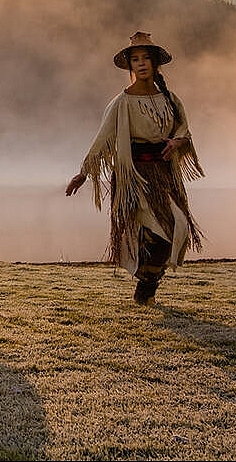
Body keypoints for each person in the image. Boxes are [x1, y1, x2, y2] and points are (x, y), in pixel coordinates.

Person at [65, 31, 204, 305]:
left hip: (165, 176)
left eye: (145, 59)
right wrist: (84, 173)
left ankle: (148, 285)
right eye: (135, 59)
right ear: (130, 66)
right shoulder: (122, 102)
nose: (141, 64)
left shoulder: (170, 99)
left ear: (155, 64)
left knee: (179, 227)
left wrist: (177, 142)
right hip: (135, 178)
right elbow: (102, 140)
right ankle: (146, 291)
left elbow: (184, 130)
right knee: (158, 234)